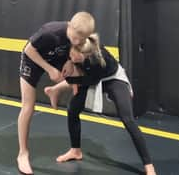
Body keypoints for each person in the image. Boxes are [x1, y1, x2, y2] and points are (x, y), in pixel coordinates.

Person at [44, 35, 157, 175]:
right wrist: (69, 62)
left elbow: (87, 81)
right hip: (89, 75)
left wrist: (65, 79)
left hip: (112, 78)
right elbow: (73, 65)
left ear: (85, 55)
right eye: (71, 54)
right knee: (72, 109)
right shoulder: (74, 48)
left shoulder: (97, 61)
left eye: (75, 57)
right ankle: (75, 150)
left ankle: (148, 164)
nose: (72, 58)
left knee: (128, 119)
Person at [17, 12, 96, 175]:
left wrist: (68, 61)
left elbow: (73, 49)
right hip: (34, 59)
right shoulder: (50, 32)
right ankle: (23, 154)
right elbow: (28, 50)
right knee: (28, 107)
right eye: (75, 38)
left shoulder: (79, 36)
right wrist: (50, 70)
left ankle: (55, 92)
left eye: (81, 40)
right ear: (70, 27)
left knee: (79, 75)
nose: (77, 42)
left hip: (56, 56)